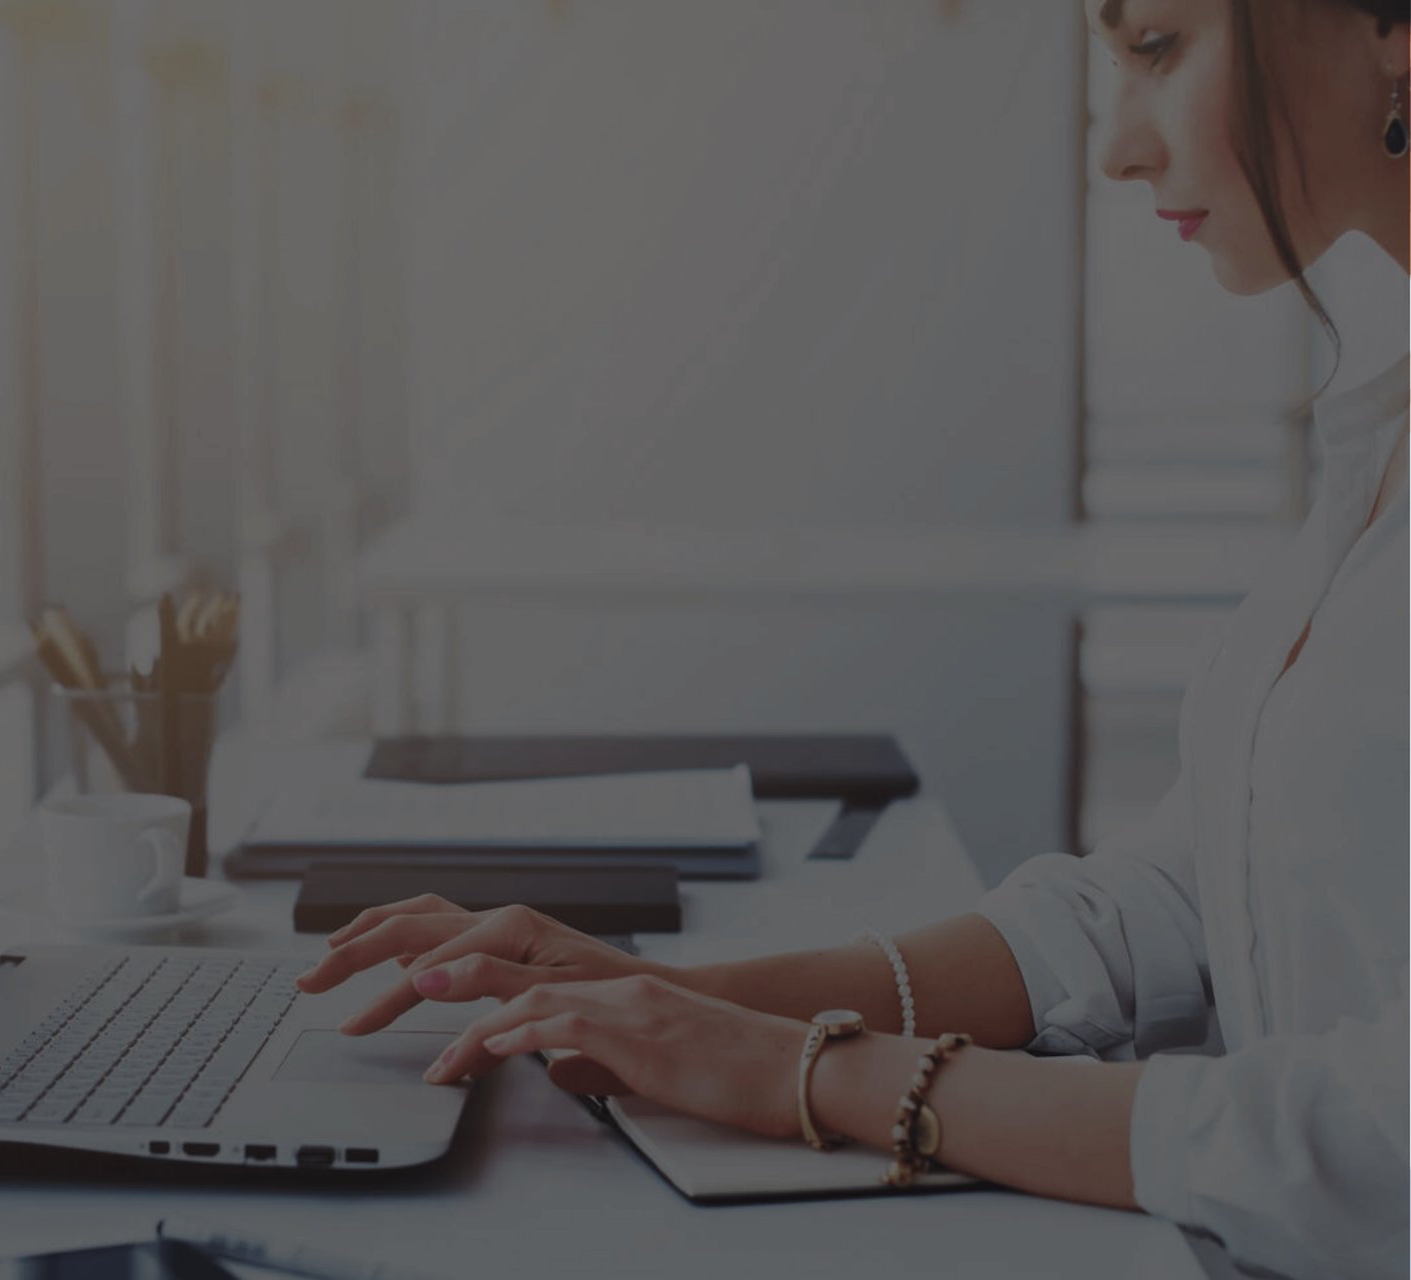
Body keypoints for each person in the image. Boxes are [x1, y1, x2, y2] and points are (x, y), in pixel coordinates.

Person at [295, 2, 1410, 1275]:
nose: (1116, 150)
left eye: (1157, 48)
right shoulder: (1378, 423)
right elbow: (1181, 901)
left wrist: (812, 1073)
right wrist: (689, 997)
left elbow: (1385, 1136)